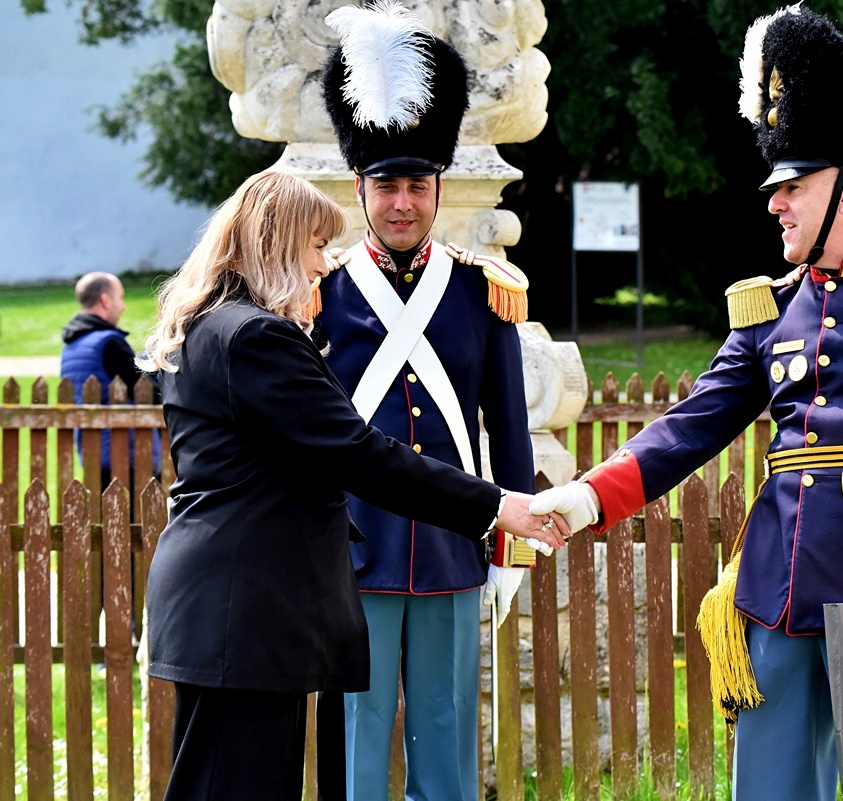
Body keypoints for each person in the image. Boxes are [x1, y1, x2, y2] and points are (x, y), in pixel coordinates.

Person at [531, 7, 843, 800]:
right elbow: (693, 424)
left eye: (793, 187)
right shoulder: (772, 310)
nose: (774, 204)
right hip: (781, 595)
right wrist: (588, 495)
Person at [139, 169, 568, 801]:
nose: (322, 264)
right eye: (314, 246)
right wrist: (499, 506)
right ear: (277, 244)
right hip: (247, 603)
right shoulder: (258, 335)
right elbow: (360, 454)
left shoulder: (209, 325)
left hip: (230, 601)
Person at [314, 4, 541, 799]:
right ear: (360, 188)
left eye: (417, 184)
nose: (402, 202)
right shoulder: (321, 293)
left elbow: (508, 429)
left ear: (439, 186)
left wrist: (511, 548)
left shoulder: (485, 290)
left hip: (451, 545)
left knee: (447, 738)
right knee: (357, 738)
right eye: (387, 185)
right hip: (354, 548)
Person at [61, 271, 161, 490]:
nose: (123, 306)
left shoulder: (71, 344)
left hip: (92, 452)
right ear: (105, 300)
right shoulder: (109, 343)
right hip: (126, 453)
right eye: (120, 298)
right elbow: (145, 390)